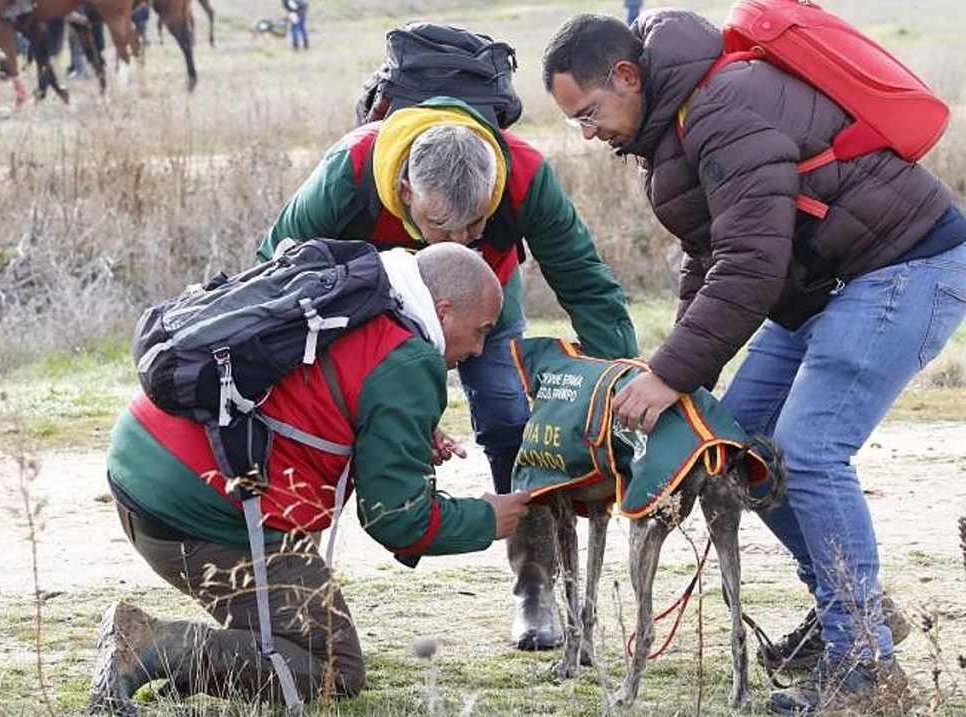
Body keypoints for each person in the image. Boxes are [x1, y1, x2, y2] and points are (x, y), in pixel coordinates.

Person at [542, 11, 966, 715]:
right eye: (573, 122)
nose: (587, 133)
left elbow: (750, 265)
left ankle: (866, 667)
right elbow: (712, 260)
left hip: (906, 263)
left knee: (809, 450)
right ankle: (856, 614)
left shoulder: (723, 105)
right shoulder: (669, 128)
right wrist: (686, 387)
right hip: (827, 283)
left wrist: (672, 374)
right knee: (738, 446)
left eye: (588, 113)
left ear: (626, 76)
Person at [259, 95, 639, 651]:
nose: (458, 243)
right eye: (440, 225)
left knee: (513, 421)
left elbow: (586, 282)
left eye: (475, 226)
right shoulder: (351, 171)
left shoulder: (525, 173)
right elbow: (278, 271)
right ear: (406, 193)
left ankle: (534, 583)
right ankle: (286, 574)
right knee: (334, 419)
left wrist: (617, 393)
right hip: (371, 305)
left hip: (484, 299)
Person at [87, 243, 533, 714]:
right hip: (195, 513)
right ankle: (151, 646)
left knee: (301, 640)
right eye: (481, 331)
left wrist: (398, 435)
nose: (480, 349)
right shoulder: (409, 359)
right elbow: (396, 519)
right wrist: (486, 519)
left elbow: (321, 395)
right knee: (332, 670)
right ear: (443, 310)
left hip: (144, 463)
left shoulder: (360, 292)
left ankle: (198, 657)